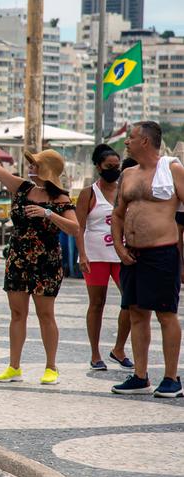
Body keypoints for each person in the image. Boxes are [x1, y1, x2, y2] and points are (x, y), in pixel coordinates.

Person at [0, 138, 79, 385]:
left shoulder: (60, 198)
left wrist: (48, 213)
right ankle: (14, 366)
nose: (30, 167)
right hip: (18, 258)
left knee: (45, 314)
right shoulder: (23, 188)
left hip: (46, 261)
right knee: (17, 313)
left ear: (48, 169)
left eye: (35, 164)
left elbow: (75, 228)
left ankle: (51, 367)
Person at [110, 121, 184, 398]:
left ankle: (172, 377)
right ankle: (140, 375)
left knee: (166, 314)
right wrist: (118, 247)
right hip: (132, 254)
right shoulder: (127, 174)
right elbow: (118, 214)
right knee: (137, 313)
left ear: (145, 141)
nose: (126, 142)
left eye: (131, 137)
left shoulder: (172, 169)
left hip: (162, 252)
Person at [75, 144, 132, 371]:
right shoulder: (88, 193)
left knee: (130, 301)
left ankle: (118, 349)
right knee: (96, 304)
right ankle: (95, 353)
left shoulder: (125, 189)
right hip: (95, 253)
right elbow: (79, 227)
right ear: (98, 166)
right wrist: (82, 255)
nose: (114, 170)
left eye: (117, 166)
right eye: (109, 166)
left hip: (121, 252)